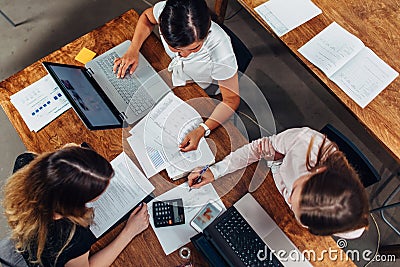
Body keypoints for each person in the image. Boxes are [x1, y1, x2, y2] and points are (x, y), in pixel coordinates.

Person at [188, 127, 370, 239]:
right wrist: (216, 170)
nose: (288, 198)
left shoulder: (351, 230)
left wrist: (275, 163)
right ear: (319, 171)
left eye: (296, 209)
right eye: (296, 188)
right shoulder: (305, 142)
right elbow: (258, 148)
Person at [113, 0, 240, 152]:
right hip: (170, 74)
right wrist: (133, 49)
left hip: (203, 89)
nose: (184, 55)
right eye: (175, 48)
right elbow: (147, 17)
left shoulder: (220, 49)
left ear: (206, 33)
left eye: (195, 48)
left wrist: (202, 129)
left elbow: (231, 100)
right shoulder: (166, 12)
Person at [3, 145, 149, 267]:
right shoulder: (71, 237)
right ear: (72, 206)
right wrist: (129, 232)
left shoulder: (25, 163)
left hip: (24, 237)